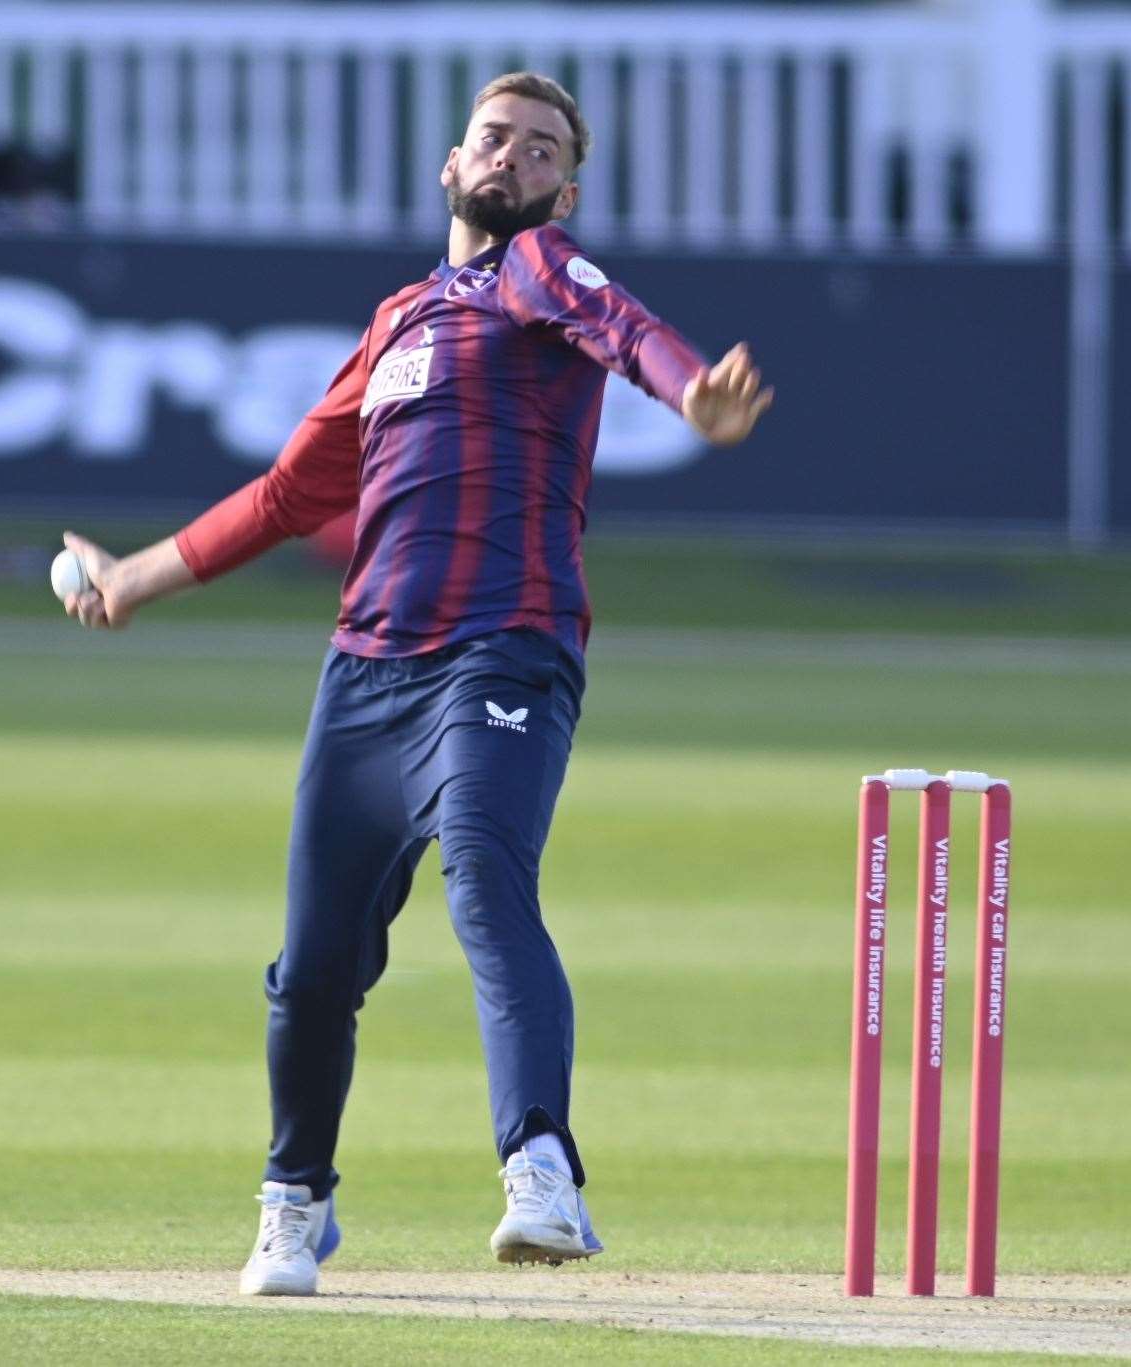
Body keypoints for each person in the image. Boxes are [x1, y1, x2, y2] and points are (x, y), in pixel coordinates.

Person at [60, 72, 774, 1296]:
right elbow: (288, 496)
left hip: (507, 644)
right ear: (452, 165)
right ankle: (295, 1200)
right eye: (494, 139)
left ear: (563, 187)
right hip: (366, 673)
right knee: (312, 969)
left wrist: (690, 390)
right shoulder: (396, 321)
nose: (512, 158)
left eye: (540, 149)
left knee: (487, 884)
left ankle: (540, 1168)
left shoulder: (543, 273)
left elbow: (628, 330)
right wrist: (131, 577)